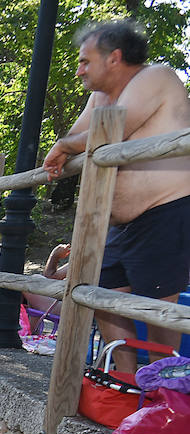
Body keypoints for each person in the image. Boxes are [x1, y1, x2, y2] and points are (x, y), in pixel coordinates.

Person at [42, 19, 190, 373]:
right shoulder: (100, 97)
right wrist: (66, 145)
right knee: (102, 297)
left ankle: (164, 392)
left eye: (84, 61)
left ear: (114, 58)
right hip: (121, 225)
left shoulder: (156, 77)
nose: (78, 71)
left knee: (156, 311)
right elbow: (80, 138)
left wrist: (65, 145)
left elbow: (112, 131)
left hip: (167, 210)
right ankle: (124, 384)